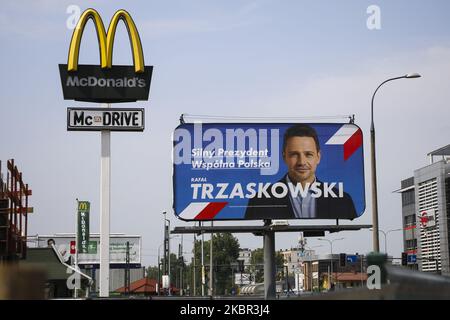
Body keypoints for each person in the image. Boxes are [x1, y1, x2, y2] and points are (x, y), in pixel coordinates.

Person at [245, 124, 357, 220]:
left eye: (308, 154)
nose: (302, 162)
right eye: (294, 154)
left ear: (318, 157)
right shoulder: (260, 200)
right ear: (284, 157)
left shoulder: (343, 200)